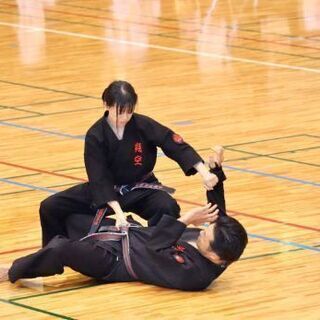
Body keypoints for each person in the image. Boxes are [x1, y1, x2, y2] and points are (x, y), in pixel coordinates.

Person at [0, 147, 248, 291]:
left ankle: (13, 270)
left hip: (114, 261)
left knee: (63, 249)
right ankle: (43, 258)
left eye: (206, 235)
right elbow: (218, 215)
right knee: (67, 215)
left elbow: (154, 246)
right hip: (124, 233)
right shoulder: (222, 246)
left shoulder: (195, 276)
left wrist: (183, 221)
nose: (204, 230)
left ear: (216, 257)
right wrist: (215, 170)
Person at [39, 80, 219, 246]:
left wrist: (205, 173)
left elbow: (172, 143)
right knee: (50, 207)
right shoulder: (96, 135)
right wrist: (119, 215)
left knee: (166, 206)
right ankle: (53, 253)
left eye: (129, 111)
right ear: (106, 105)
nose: (125, 117)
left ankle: (161, 250)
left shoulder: (142, 124)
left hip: (142, 188)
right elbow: (99, 178)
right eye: (120, 112)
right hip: (107, 191)